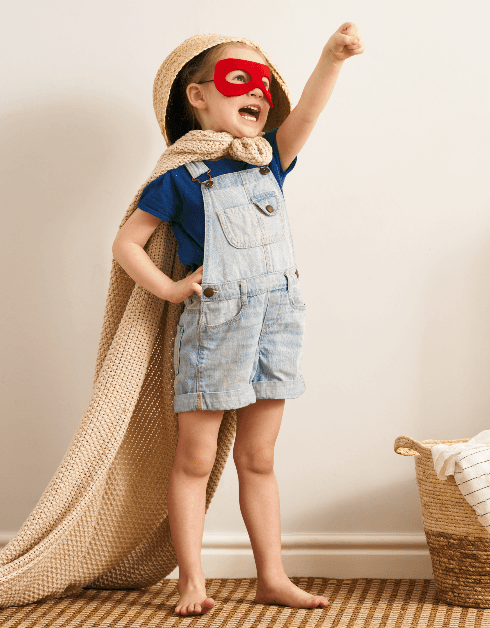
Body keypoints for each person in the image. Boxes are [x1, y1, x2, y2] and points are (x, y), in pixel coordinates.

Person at [110, 25, 364, 617]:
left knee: (260, 458)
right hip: (215, 328)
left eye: (264, 84)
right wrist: (172, 288)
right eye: (238, 79)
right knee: (195, 459)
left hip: (277, 323)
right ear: (198, 96)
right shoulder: (178, 175)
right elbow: (126, 244)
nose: (259, 92)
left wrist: (331, 58)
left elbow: (308, 115)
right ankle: (192, 581)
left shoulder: (270, 159)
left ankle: (271, 576)